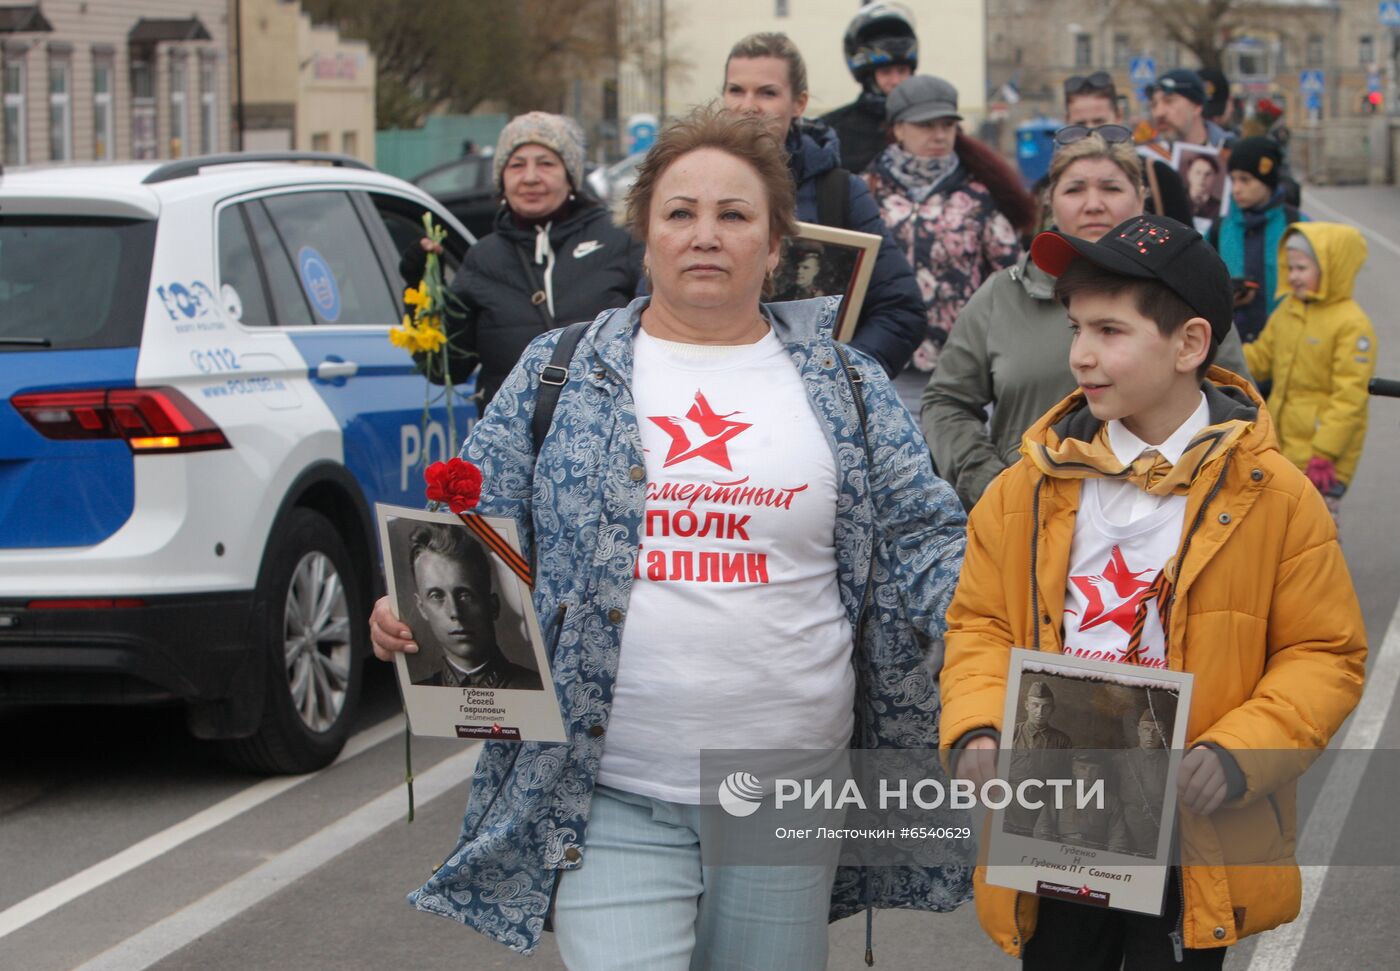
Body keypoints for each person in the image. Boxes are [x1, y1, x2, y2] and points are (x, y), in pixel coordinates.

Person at [369, 106, 971, 967]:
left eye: (735, 215)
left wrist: (1037, 617)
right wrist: (404, 610)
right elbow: (470, 531)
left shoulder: (849, 386)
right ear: (642, 236)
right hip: (607, 784)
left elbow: (928, 546)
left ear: (774, 245)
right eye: (680, 213)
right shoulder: (559, 371)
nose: (705, 235)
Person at [941, 212, 1367, 968]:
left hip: (1192, 821)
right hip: (1060, 810)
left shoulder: (1275, 496)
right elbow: (978, 623)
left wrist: (1238, 751)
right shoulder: (1024, 490)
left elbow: (1324, 652)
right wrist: (978, 725)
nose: (1080, 355)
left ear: (1190, 344)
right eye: (1075, 328)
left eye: (1109, 330)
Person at [921, 132, 1250, 510]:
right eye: (1075, 190)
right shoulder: (1001, 295)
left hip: (1166, 518)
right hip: (1029, 518)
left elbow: (1235, 400)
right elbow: (946, 400)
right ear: (1050, 200)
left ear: (1140, 196)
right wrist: (990, 482)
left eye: (1111, 188)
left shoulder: (1187, 291)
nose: (1093, 205)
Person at [402, 111, 644, 408]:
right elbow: (444, 369)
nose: (530, 177)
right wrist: (422, 288)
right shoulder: (482, 258)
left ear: (570, 176)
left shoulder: (620, 240)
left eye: (546, 164)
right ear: (501, 180)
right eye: (516, 165)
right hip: (514, 448)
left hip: (605, 441)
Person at [724, 31, 926, 377]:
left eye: (768, 93)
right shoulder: (687, 186)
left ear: (799, 103)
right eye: (736, 90)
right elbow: (653, 301)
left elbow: (900, 310)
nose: (748, 105)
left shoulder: (840, 193)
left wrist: (842, 379)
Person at [863, 75, 1034, 372]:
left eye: (947, 125)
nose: (939, 135)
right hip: (881, 361)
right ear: (898, 129)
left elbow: (1013, 278)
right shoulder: (866, 190)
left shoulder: (979, 197)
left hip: (961, 365)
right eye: (926, 126)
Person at [1243, 223, 1377, 525]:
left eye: (1302, 268)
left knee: (1318, 534)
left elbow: (1349, 398)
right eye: (1289, 268)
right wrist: (1217, 358)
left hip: (1322, 459)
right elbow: (1261, 359)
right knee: (1283, 533)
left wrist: (1325, 452)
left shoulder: (1351, 325)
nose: (1292, 276)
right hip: (1283, 447)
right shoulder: (1289, 310)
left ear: (1331, 268)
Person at [406, 523, 541, 689]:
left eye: (465, 595)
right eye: (437, 596)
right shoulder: (420, 697)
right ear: (421, 607)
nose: (455, 612)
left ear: (493, 606)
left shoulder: (536, 687)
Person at [1206, 135, 1306, 344]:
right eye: (1233, 180)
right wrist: (1227, 293)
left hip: (1288, 345)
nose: (1236, 189)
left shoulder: (1297, 225)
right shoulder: (1220, 228)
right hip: (1235, 346)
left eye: (1245, 179)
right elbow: (1201, 280)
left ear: (1266, 178)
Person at [1061, 72, 1191, 226]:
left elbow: (1187, 243)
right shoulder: (1055, 182)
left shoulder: (1159, 176)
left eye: (1099, 122)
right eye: (1081, 124)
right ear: (1067, 122)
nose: (1091, 133)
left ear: (1118, 116)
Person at [820, 1, 919, 173]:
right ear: (868, 77)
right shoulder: (831, 130)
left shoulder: (928, 123)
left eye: (902, 70)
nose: (896, 81)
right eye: (886, 72)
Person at [1003, 680, 1071, 836]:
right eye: (1035, 705)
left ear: (1052, 709)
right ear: (1026, 705)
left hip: (1044, 807)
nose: (1040, 712)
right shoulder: (1011, 733)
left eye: (1045, 706)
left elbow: (1066, 780)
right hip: (1010, 804)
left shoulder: (1062, 741)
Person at [1032, 753, 1130, 854]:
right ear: (1074, 769)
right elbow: (1042, 829)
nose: (1088, 774)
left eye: (1093, 769)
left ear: (1100, 771)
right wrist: (1052, 854)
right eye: (1083, 768)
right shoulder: (1059, 793)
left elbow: (1118, 838)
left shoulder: (1111, 801)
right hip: (1062, 851)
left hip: (1095, 855)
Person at [1113, 706, 1171, 857]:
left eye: (1156, 730)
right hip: (1125, 825)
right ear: (1138, 731)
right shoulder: (1120, 760)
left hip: (1158, 826)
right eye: (1146, 729)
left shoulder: (1171, 763)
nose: (1150, 735)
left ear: (1163, 734)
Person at [1149, 69, 1229, 148]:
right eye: (1154, 105)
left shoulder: (1230, 154)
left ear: (1196, 106)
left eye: (1169, 101)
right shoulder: (1148, 156)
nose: (1158, 113)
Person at [1182, 152, 1224, 224]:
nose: (1202, 178)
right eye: (1198, 172)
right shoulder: (1177, 199)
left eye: (1208, 174)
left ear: (1215, 177)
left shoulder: (1219, 208)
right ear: (1189, 174)